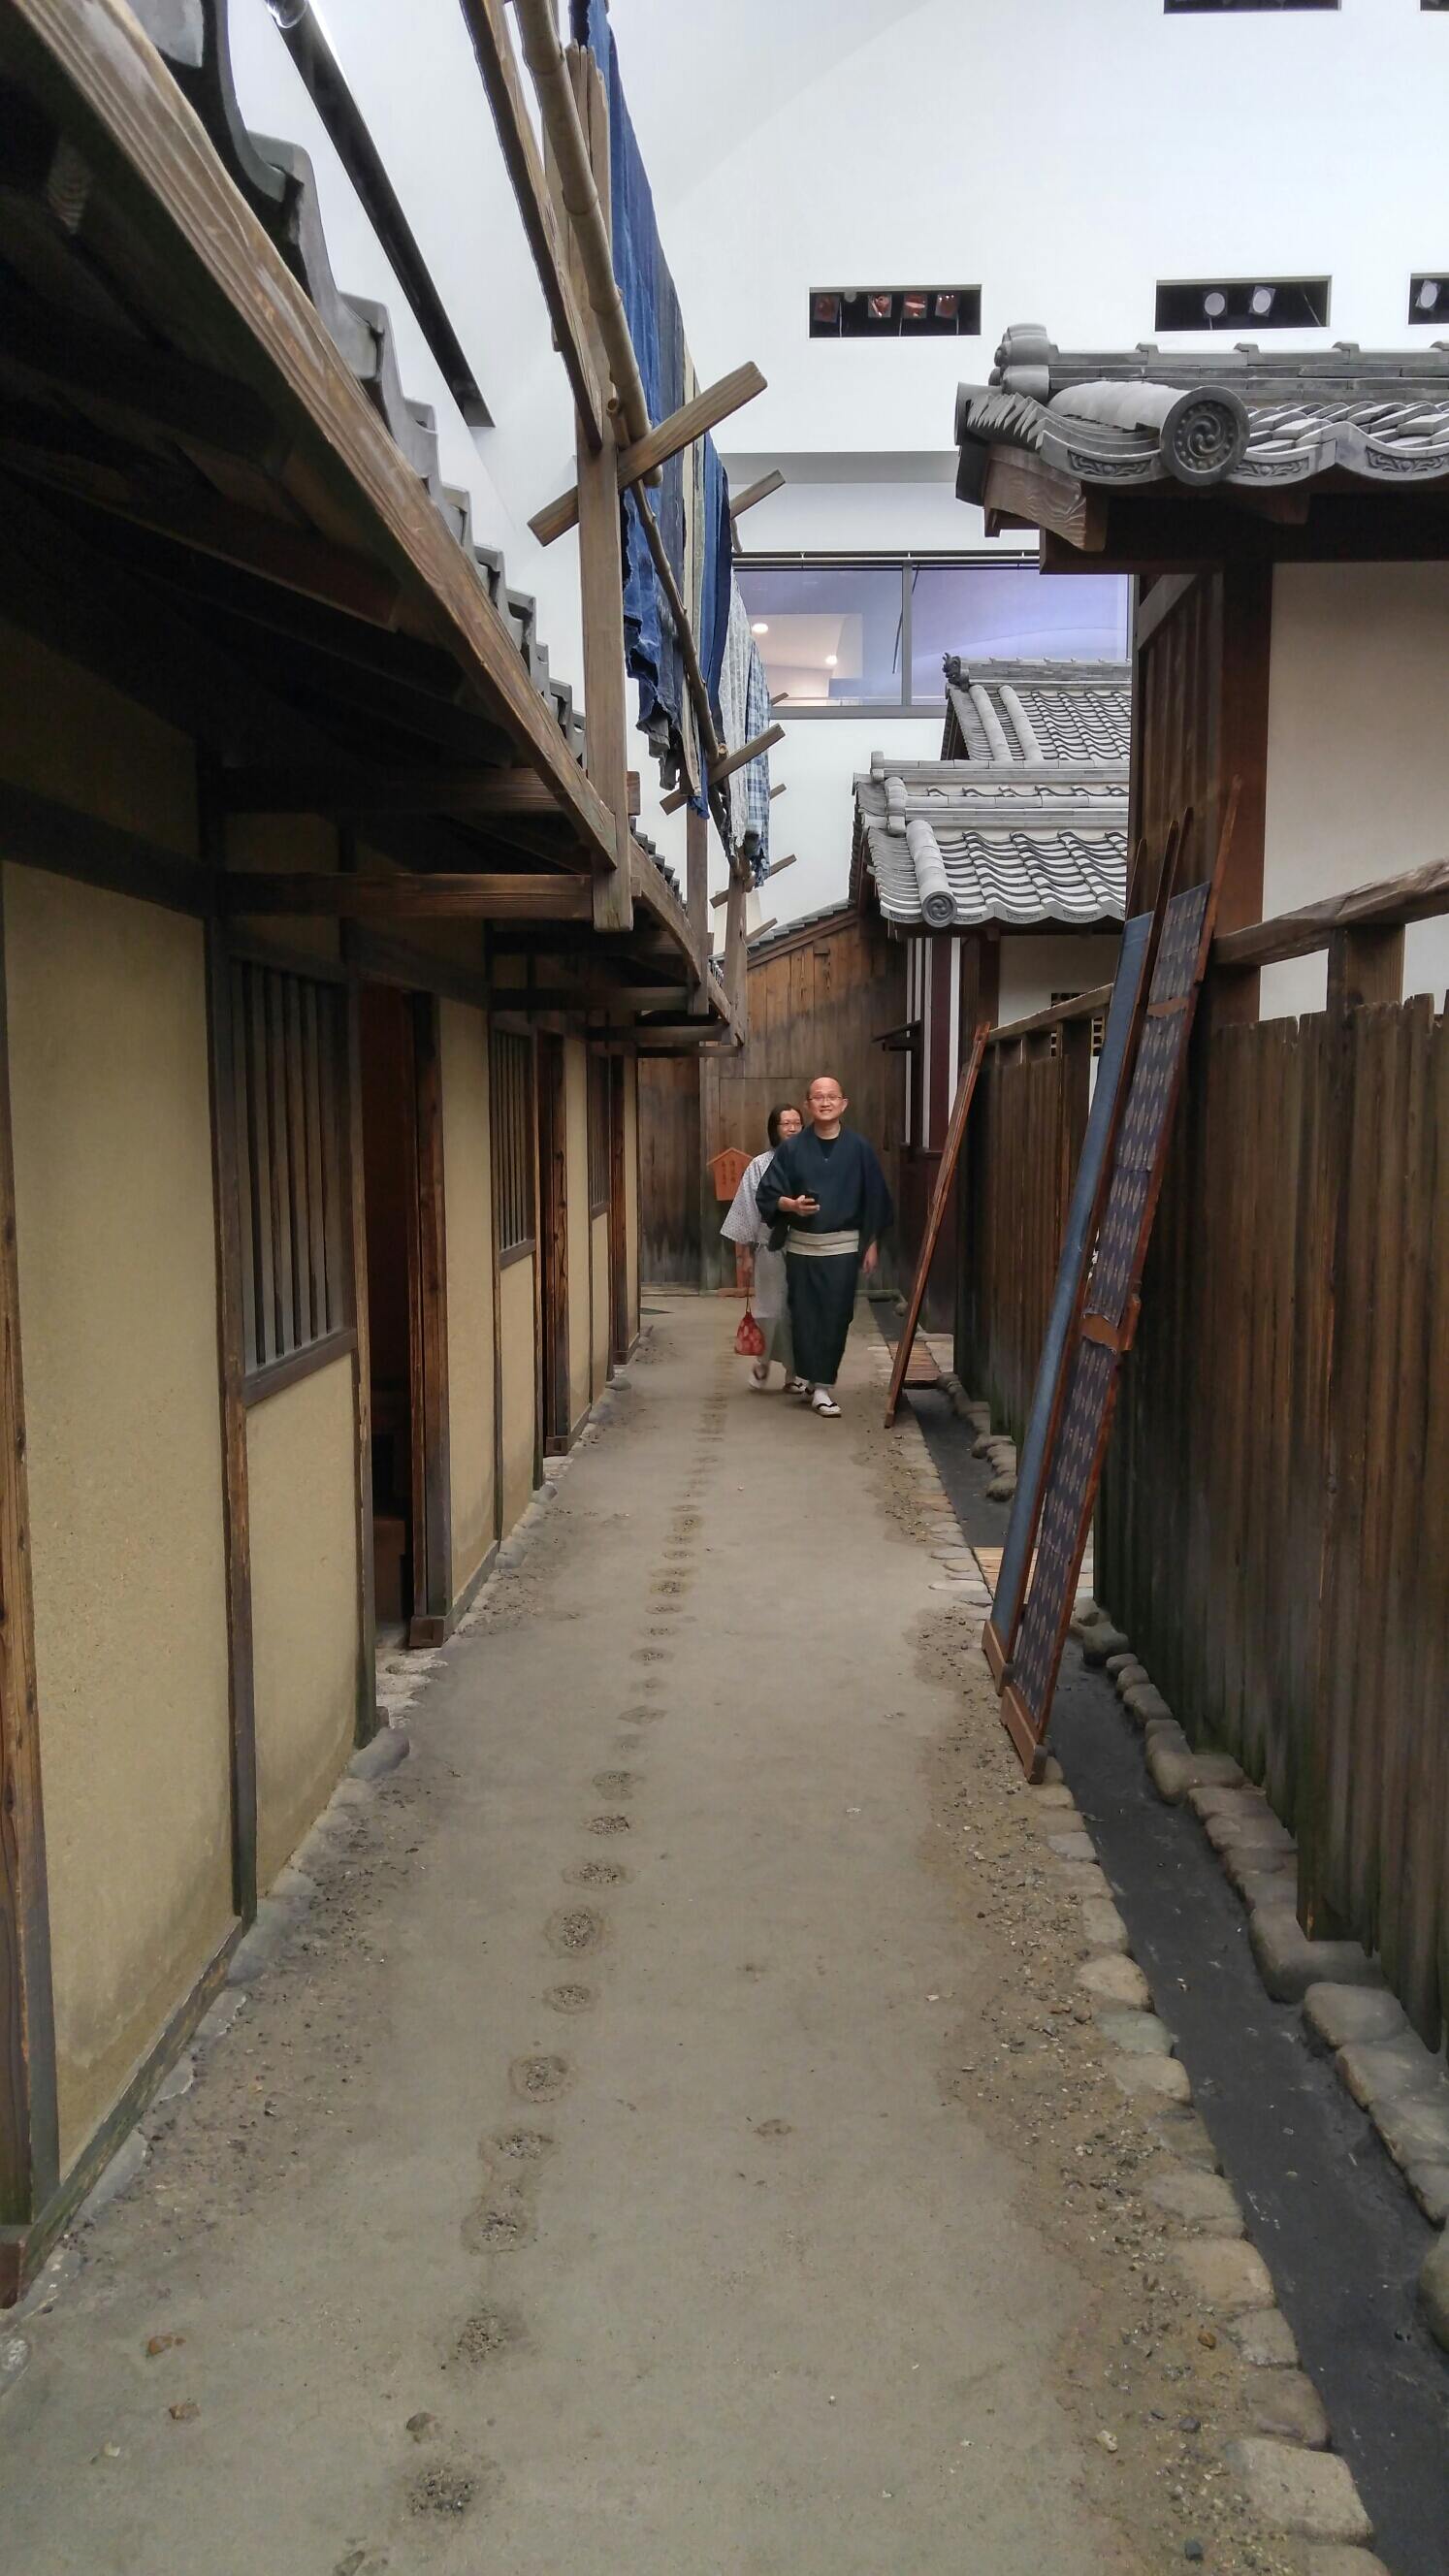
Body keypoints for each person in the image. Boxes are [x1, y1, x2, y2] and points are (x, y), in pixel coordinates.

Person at [755, 1073, 892, 1418]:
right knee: (802, 1317)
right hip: (802, 1248)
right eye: (818, 1096)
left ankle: (823, 1387)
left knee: (835, 1316)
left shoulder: (859, 1149)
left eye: (832, 1096)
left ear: (843, 1103)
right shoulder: (791, 1149)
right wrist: (791, 1206)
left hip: (843, 1249)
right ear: (808, 1105)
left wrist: (871, 1243)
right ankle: (812, 1380)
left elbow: (874, 1198)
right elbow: (768, 1193)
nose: (826, 1101)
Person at [719, 1104, 806, 1392]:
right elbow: (746, 1209)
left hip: (805, 1245)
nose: (792, 1128)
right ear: (775, 1129)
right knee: (771, 1309)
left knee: (798, 1310)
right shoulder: (760, 1164)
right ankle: (763, 1362)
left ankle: (794, 1374)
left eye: (796, 1123)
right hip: (770, 1243)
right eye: (786, 1123)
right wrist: (744, 1253)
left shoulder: (812, 1161)